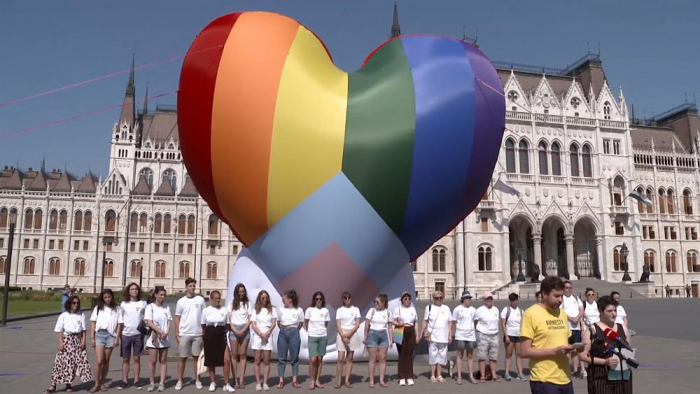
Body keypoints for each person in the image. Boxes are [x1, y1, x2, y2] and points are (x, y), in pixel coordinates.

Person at [521, 276, 580, 394]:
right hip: (544, 380)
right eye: (556, 296)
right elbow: (524, 351)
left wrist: (574, 348)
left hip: (565, 377)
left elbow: (562, 341)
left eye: (562, 296)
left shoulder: (562, 313)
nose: (560, 300)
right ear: (544, 294)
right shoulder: (531, 314)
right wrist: (554, 352)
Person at [579, 296, 634, 394]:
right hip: (600, 378)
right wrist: (604, 362)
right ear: (600, 311)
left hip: (622, 376)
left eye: (615, 310)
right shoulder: (592, 330)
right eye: (609, 311)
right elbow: (583, 355)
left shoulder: (623, 329)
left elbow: (629, 350)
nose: (614, 314)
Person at [44, 295, 92, 394]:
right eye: (74, 303)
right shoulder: (64, 315)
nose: (76, 305)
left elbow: (83, 330)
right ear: (69, 304)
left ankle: (68, 384)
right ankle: (53, 385)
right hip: (67, 339)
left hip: (77, 340)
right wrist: (61, 342)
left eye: (78, 303)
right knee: (60, 362)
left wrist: (83, 341)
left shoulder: (81, 315)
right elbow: (59, 330)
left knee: (73, 364)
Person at [175, 278, 206, 390]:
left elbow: (204, 317)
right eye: (190, 286)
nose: (192, 288)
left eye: (193, 286)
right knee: (182, 358)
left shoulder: (200, 300)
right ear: (186, 287)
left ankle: (198, 379)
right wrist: (177, 334)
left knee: (196, 358)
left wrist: (204, 332)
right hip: (184, 333)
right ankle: (179, 381)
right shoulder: (181, 301)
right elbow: (177, 318)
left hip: (197, 334)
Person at [90, 288, 122, 393]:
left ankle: (102, 382)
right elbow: (93, 322)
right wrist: (92, 337)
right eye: (105, 297)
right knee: (99, 361)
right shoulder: (98, 308)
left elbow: (119, 325)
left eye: (109, 297)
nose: (107, 299)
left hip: (110, 336)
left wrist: (117, 338)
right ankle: (96, 383)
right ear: (102, 298)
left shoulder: (117, 309)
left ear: (112, 297)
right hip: (99, 334)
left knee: (106, 361)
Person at [418, 290, 452, 383]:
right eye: (437, 298)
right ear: (433, 299)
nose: (439, 300)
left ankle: (439, 374)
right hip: (432, 336)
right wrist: (421, 333)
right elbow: (425, 321)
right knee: (433, 355)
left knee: (442, 355)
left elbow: (450, 322)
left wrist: (450, 335)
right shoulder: (428, 308)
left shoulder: (446, 308)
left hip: (443, 336)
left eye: (441, 298)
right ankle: (433, 375)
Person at [119, 282, 147, 390]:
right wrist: (120, 334)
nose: (134, 291)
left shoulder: (143, 303)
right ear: (128, 291)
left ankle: (136, 380)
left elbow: (146, 318)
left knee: (137, 359)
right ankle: (125, 380)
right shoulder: (124, 304)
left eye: (136, 289)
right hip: (126, 334)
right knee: (126, 359)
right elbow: (120, 320)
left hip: (138, 335)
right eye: (132, 289)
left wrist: (145, 332)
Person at [201, 291, 231, 392]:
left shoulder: (224, 309)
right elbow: (203, 325)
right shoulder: (206, 311)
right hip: (210, 336)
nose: (217, 300)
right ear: (211, 299)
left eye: (219, 298)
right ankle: (213, 382)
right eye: (215, 298)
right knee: (211, 360)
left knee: (226, 360)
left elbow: (227, 325)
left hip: (221, 336)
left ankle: (226, 383)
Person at [144, 286, 172, 392]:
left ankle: (161, 382)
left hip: (165, 337)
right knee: (153, 360)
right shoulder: (150, 307)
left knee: (163, 360)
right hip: (154, 337)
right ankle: (152, 383)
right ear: (155, 295)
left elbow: (169, 320)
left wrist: (167, 332)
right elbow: (149, 322)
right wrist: (160, 331)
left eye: (164, 295)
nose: (162, 297)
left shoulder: (166, 306)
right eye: (160, 294)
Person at [276, 290, 303, 389]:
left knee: (294, 358)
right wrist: (285, 329)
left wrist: (293, 330)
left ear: (290, 299)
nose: (283, 300)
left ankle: (295, 380)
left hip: (294, 333)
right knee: (281, 358)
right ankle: (281, 380)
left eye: (284, 299)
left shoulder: (299, 310)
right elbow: (278, 322)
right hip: (283, 332)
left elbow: (300, 324)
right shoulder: (281, 309)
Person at [364, 293, 392, 388]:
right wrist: (365, 337)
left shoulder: (388, 312)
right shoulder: (371, 311)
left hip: (383, 335)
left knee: (383, 358)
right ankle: (371, 380)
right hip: (373, 334)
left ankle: (381, 380)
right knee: (373, 359)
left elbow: (390, 327)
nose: (375, 303)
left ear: (383, 302)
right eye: (375, 302)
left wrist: (391, 340)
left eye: (377, 302)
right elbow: (367, 324)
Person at [251, 290, 276, 391]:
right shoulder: (255, 309)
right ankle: (258, 382)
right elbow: (253, 324)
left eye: (266, 298)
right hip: (258, 336)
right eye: (262, 298)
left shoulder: (272, 309)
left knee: (266, 361)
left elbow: (273, 323)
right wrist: (261, 334)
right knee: (257, 360)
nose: (264, 300)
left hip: (268, 336)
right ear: (259, 298)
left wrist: (267, 332)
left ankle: (265, 382)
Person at [227, 283, 251, 390]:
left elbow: (250, 318)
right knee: (234, 355)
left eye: (243, 291)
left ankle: (241, 380)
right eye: (239, 291)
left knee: (243, 354)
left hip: (245, 329)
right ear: (236, 292)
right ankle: (235, 380)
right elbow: (229, 318)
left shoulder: (248, 303)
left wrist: (244, 329)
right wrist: (235, 329)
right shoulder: (231, 303)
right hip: (234, 329)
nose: (241, 293)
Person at [335, 292, 360, 389]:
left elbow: (357, 324)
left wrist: (349, 334)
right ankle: (338, 381)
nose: (347, 299)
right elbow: (338, 324)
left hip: (352, 333)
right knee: (340, 359)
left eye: (349, 297)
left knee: (349, 359)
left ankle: (347, 380)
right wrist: (343, 335)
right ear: (342, 299)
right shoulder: (339, 310)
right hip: (342, 333)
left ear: (351, 298)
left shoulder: (356, 309)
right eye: (345, 298)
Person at [305, 291, 331, 389]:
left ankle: (317, 380)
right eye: (317, 299)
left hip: (323, 336)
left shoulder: (325, 311)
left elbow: (326, 323)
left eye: (320, 299)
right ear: (314, 300)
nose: (319, 300)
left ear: (322, 300)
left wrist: (322, 331)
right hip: (312, 336)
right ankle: (311, 381)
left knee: (320, 359)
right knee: (313, 359)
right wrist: (310, 331)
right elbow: (306, 322)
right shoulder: (309, 310)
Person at [392, 291, 418, 386]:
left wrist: (417, 334)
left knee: (409, 354)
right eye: (405, 298)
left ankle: (409, 376)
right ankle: (402, 376)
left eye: (409, 298)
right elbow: (393, 321)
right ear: (402, 300)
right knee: (402, 353)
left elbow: (416, 322)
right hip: (400, 330)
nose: (407, 300)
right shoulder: (397, 309)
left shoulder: (413, 309)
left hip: (410, 330)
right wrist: (399, 323)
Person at [474, 291, 501, 382]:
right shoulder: (480, 310)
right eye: (487, 299)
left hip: (494, 335)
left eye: (491, 298)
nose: (489, 300)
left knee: (494, 357)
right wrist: (479, 331)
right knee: (482, 356)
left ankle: (493, 374)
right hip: (483, 335)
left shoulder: (496, 309)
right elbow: (475, 322)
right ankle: (482, 375)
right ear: (484, 300)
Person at [452, 290, 477, 385]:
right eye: (467, 298)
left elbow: (475, 322)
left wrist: (472, 330)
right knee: (460, 355)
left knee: (470, 356)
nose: (469, 300)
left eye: (469, 298)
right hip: (460, 335)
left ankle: (471, 376)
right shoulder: (457, 309)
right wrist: (452, 334)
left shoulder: (473, 310)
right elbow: (453, 323)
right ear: (463, 299)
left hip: (471, 335)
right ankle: (459, 376)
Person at [561, 280, 585, 378]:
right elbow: (560, 311)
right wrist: (571, 318)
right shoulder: (561, 298)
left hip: (576, 328)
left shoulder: (576, 298)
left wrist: (578, 318)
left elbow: (581, 309)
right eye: (566, 288)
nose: (568, 290)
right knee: (566, 349)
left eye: (570, 288)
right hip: (566, 327)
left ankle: (575, 370)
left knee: (575, 349)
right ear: (563, 288)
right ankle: (566, 369)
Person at [501, 293, 527, 381]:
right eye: (513, 300)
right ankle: (507, 373)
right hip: (510, 335)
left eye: (516, 300)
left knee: (519, 354)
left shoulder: (521, 311)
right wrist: (506, 335)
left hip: (519, 335)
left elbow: (523, 324)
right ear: (510, 301)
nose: (515, 302)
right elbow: (503, 323)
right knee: (509, 354)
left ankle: (520, 373)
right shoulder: (506, 310)